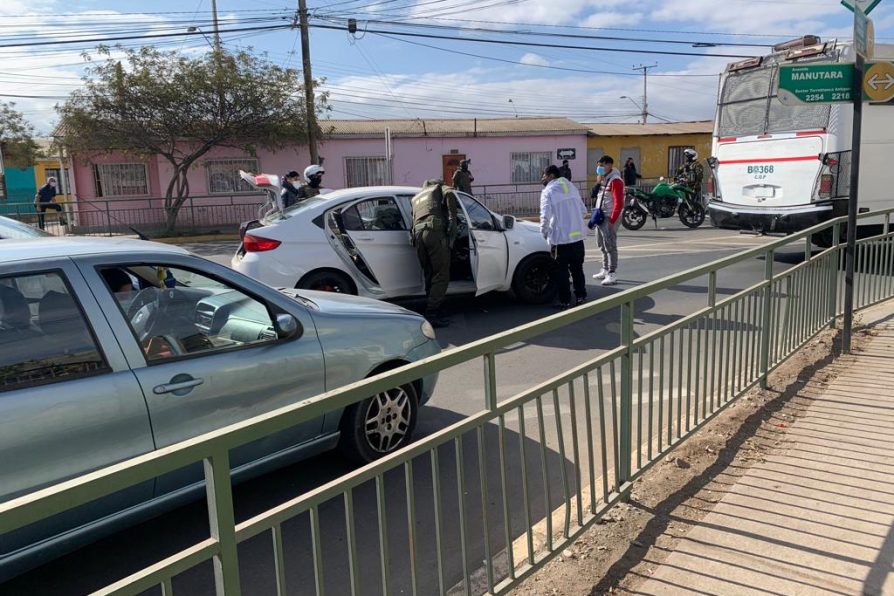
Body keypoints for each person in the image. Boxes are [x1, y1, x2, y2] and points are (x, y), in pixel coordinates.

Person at [411, 179, 459, 327]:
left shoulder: (416, 197)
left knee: (430, 274)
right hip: (434, 233)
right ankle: (432, 313)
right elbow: (450, 193)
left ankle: (434, 308)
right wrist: (453, 223)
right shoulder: (439, 188)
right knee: (441, 275)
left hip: (418, 236)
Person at [539, 165, 587, 310]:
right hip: (578, 239)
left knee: (561, 273)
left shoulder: (548, 191)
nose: (543, 178)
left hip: (560, 240)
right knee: (577, 269)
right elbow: (583, 211)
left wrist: (544, 232)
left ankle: (565, 301)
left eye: (544, 175)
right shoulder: (572, 187)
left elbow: (545, 214)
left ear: (551, 176)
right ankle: (581, 296)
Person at [592, 155, 625, 286]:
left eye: (601, 165)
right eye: (598, 165)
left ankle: (612, 273)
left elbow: (619, 202)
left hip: (609, 216)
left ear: (609, 165)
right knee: (601, 244)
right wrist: (597, 183)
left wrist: (612, 220)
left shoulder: (616, 180)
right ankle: (605, 269)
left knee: (610, 245)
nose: (599, 168)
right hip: (600, 215)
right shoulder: (603, 179)